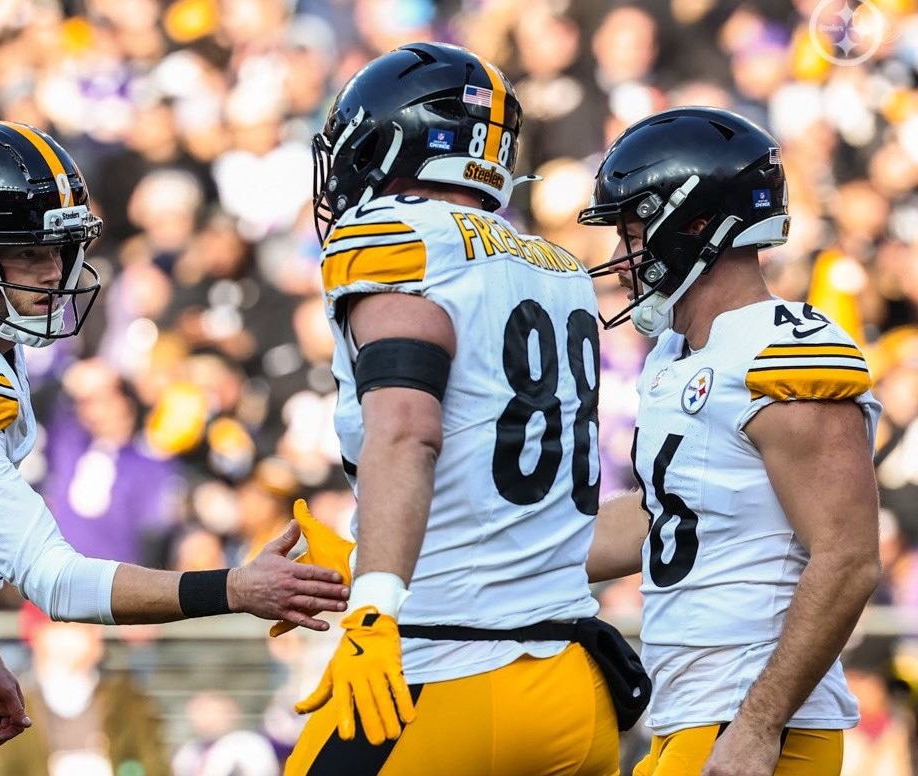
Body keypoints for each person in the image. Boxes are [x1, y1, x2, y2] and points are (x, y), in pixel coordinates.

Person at [0, 121, 349, 776]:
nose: (54, 273)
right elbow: (58, 582)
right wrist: (236, 588)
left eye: (61, 249)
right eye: (28, 254)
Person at [283, 42, 646, 775]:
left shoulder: (394, 236)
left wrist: (373, 605)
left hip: (447, 674)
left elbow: (407, 433)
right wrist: (362, 556)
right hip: (577, 694)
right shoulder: (559, 267)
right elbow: (510, 520)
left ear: (388, 144)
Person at [578, 107, 883, 776]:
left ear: (696, 227)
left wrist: (758, 724)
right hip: (692, 714)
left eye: (633, 233)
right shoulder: (677, 353)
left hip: (752, 721)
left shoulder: (782, 352)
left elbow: (849, 556)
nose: (621, 260)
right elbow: (663, 516)